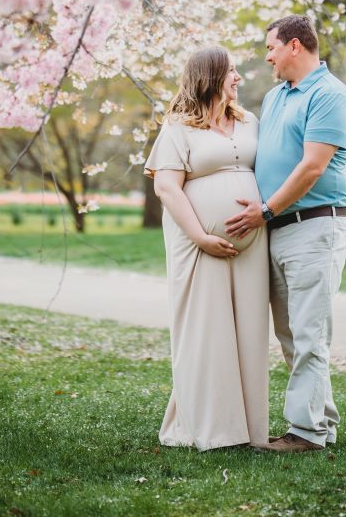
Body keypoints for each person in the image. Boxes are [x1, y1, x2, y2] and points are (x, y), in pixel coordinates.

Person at [226, 14, 346, 453]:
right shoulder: (277, 96)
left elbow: (313, 166)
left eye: (272, 47)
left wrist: (265, 209)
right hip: (277, 229)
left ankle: (306, 433)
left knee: (309, 333)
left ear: (295, 46)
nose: (268, 56)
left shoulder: (330, 94)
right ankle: (320, 424)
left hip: (315, 225)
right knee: (293, 335)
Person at [144, 45, 269, 450]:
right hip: (196, 246)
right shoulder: (179, 127)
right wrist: (201, 236)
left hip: (252, 243)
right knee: (206, 330)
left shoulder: (249, 121)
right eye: (231, 71)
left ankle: (248, 428)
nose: (238, 78)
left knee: (249, 331)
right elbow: (166, 185)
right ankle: (211, 427)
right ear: (211, 77)